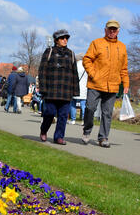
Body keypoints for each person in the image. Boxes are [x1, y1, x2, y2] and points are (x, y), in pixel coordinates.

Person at [82, 20, 130, 148]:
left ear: (118, 31)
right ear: (105, 30)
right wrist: (93, 75)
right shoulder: (96, 43)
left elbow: (124, 68)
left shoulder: (122, 47)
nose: (112, 31)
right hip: (95, 84)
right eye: (110, 29)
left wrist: (126, 84)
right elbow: (87, 60)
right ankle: (87, 131)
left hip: (113, 85)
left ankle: (103, 137)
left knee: (107, 113)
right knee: (90, 108)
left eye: (114, 29)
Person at [38, 29, 80, 144]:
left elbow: (74, 73)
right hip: (51, 90)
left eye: (66, 38)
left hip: (66, 92)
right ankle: (43, 130)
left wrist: (75, 91)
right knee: (50, 113)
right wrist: (43, 88)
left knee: (63, 116)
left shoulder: (71, 54)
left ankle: (59, 137)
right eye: (62, 38)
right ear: (56, 40)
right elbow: (42, 71)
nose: (65, 40)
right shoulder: (49, 51)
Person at [69, 54, 88, 124]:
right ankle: (83, 120)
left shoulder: (75, 66)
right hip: (84, 89)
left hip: (75, 88)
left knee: (73, 104)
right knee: (83, 105)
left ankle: (73, 119)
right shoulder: (86, 67)